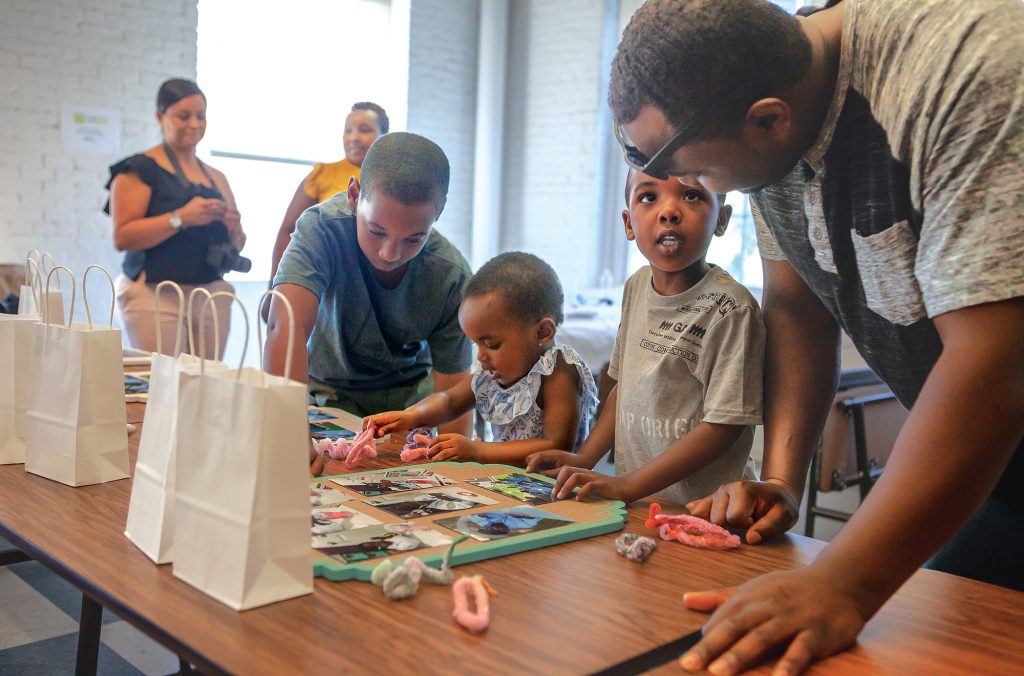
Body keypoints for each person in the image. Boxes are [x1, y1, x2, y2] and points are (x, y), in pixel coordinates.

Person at [607, 0, 1024, 673]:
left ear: (769, 119)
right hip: (1001, 473)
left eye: (700, 178)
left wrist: (844, 581)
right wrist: (781, 480)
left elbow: (994, 365)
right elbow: (799, 307)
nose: (685, 197)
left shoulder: (970, 71)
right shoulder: (768, 101)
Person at [526, 171, 764, 506]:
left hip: (707, 510)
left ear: (721, 219)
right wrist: (583, 458)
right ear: (628, 223)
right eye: (649, 197)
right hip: (641, 505)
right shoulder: (636, 286)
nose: (669, 211)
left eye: (692, 195)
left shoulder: (732, 309)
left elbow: (723, 427)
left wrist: (629, 485)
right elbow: (623, 389)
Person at [263, 132, 474, 473]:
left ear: (439, 211)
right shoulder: (321, 229)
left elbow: (455, 399)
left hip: (406, 413)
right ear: (354, 194)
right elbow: (283, 324)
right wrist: (288, 433)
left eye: (414, 238)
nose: (389, 253)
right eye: (376, 231)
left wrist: (455, 472)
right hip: (324, 394)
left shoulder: (450, 275)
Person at [365, 252, 599, 466]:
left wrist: (477, 451)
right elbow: (450, 401)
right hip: (509, 488)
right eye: (475, 343)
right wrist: (410, 416)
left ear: (542, 332)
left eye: (492, 344)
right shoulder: (494, 373)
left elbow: (556, 446)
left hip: (556, 493)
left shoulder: (558, 369)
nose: (481, 356)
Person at [105, 78, 246, 358]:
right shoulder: (139, 169)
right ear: (161, 116)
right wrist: (182, 217)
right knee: (161, 386)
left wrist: (233, 228)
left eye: (201, 116)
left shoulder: (217, 177)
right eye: (184, 116)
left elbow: (239, 242)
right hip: (154, 294)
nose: (194, 124)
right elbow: (123, 237)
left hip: (210, 294)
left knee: (207, 384)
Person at [266, 101, 389, 307]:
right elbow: (288, 231)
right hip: (325, 283)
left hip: (376, 290)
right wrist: (275, 288)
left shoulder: (393, 180)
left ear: (383, 136)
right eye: (348, 130)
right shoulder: (323, 174)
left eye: (364, 130)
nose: (354, 137)